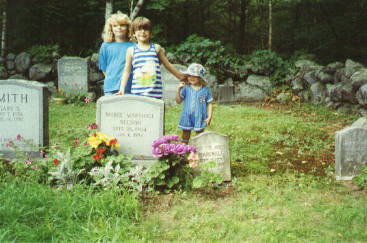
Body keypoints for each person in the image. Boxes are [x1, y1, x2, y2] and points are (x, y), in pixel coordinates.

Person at [117, 17, 186, 98]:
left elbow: (168, 66)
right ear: (133, 33)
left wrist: (181, 77)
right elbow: (127, 71)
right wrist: (122, 88)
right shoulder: (131, 50)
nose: (142, 32)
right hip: (137, 93)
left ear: (150, 32)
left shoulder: (156, 48)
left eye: (146, 29)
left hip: (154, 93)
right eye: (139, 29)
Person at [98, 11, 135, 96]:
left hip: (129, 86)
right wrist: (112, 79)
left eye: (122, 25)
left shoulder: (134, 46)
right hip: (111, 87)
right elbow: (103, 68)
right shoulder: (105, 46)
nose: (119, 28)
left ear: (128, 27)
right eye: (115, 26)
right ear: (111, 28)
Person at [176, 63, 214, 144]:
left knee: (199, 135)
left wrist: (209, 116)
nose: (191, 78)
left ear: (200, 78)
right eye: (189, 75)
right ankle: (183, 148)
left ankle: (198, 149)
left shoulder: (205, 90)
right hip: (187, 115)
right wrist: (179, 89)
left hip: (200, 116)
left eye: (194, 76)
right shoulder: (186, 88)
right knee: (185, 133)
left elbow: (210, 103)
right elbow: (178, 101)